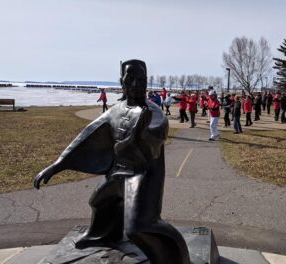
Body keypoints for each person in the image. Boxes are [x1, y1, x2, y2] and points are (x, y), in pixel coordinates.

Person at [34, 59, 190, 263]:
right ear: (121, 82)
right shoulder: (116, 110)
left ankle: (176, 256)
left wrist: (136, 137)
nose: (135, 85)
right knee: (100, 201)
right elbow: (86, 135)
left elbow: (148, 146)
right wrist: (58, 164)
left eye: (141, 80)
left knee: (139, 227)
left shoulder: (154, 114)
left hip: (141, 176)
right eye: (130, 79)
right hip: (118, 173)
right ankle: (104, 235)